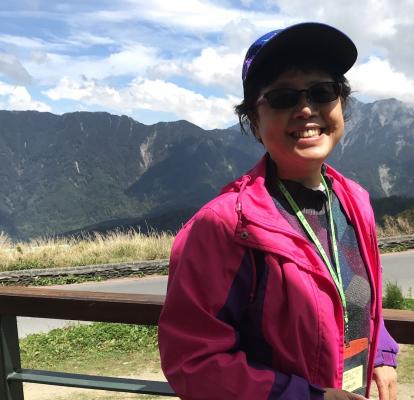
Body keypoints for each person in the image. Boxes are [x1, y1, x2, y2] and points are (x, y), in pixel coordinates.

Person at [158, 22, 399, 400]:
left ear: (341, 104)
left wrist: (381, 353)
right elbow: (193, 361)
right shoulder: (224, 226)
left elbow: (359, 302)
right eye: (283, 97)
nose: (306, 109)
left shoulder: (355, 202)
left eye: (322, 91)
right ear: (254, 122)